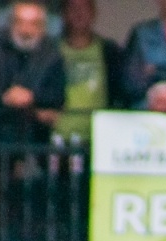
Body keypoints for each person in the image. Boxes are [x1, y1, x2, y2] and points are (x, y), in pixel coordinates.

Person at [0, 1, 66, 142]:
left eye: (34, 24)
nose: (26, 30)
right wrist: (5, 98)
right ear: (11, 23)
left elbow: (57, 96)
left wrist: (31, 98)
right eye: (20, 22)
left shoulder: (52, 54)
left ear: (43, 28)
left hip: (36, 139)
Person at [55, 0, 127, 142]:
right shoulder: (51, 50)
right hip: (58, 135)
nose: (79, 14)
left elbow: (120, 90)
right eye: (73, 8)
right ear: (64, 14)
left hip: (98, 135)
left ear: (93, 13)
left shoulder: (109, 50)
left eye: (84, 8)